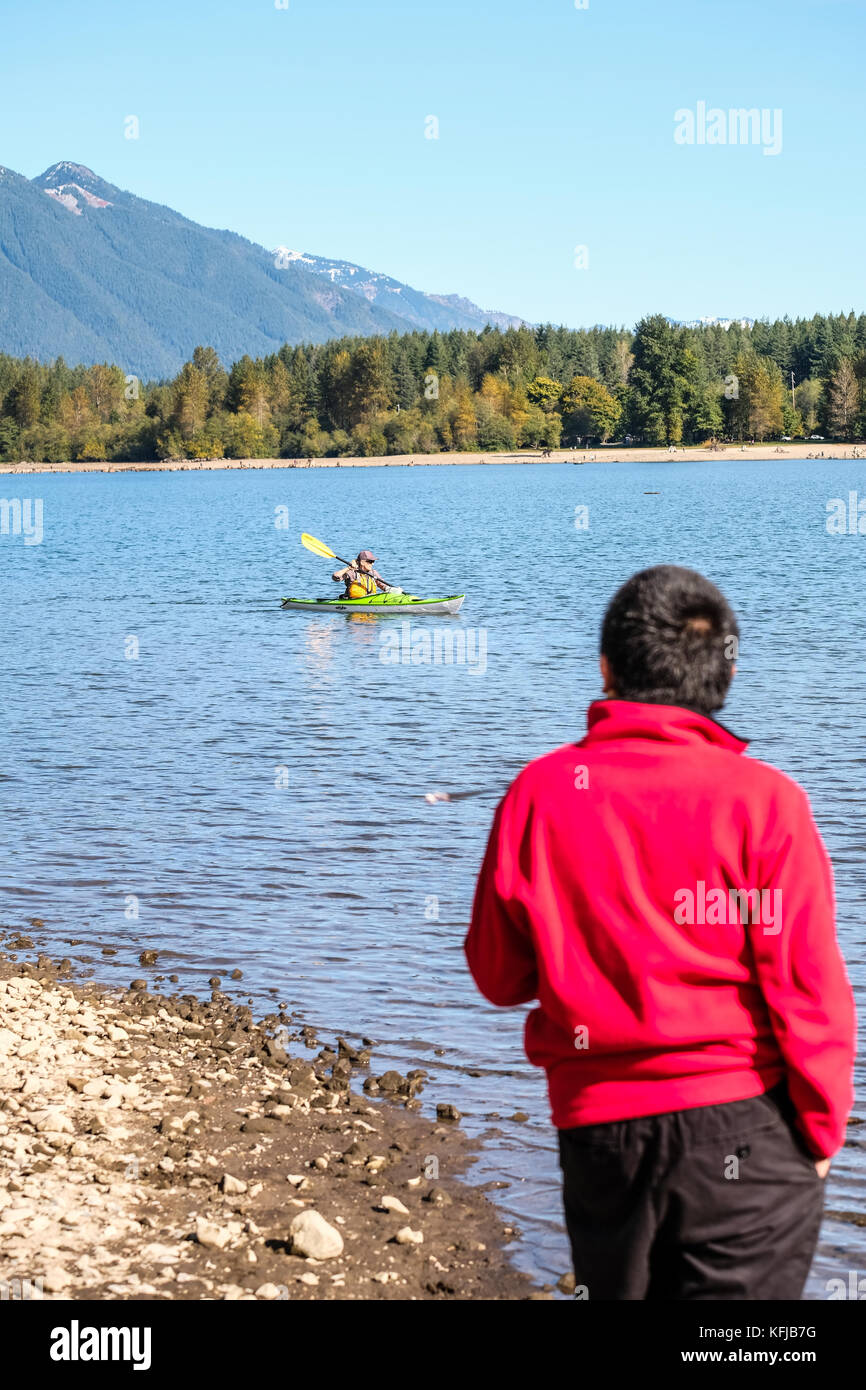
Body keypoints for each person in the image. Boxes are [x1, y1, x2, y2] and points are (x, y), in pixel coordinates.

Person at [465, 565, 856, 1301]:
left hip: (600, 1136)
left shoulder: (542, 791)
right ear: (727, 675)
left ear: (608, 668)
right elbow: (808, 993)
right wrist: (822, 1134)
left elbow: (498, 975)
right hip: (747, 1128)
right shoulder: (767, 802)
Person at [332, 550, 400, 599]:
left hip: (369, 601)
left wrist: (391, 589)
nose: (372, 564)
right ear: (362, 562)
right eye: (370, 561)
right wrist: (348, 568)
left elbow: (383, 585)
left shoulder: (373, 573)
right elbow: (335, 577)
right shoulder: (352, 573)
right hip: (353, 602)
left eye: (373, 561)